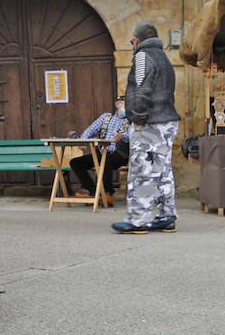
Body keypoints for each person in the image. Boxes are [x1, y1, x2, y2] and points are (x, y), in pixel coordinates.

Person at [113, 22, 180, 234]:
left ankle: (137, 220)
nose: (132, 45)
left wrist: (138, 117)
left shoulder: (142, 57)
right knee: (162, 170)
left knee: (143, 169)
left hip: (150, 122)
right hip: (167, 122)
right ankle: (166, 216)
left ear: (136, 40)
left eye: (131, 42)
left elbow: (139, 88)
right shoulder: (164, 58)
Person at [71, 99, 130, 204]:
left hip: (119, 155)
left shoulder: (132, 120)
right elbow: (91, 129)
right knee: (75, 162)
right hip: (102, 153)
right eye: (126, 103)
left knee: (105, 159)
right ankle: (93, 190)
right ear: (118, 104)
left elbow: (133, 136)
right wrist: (83, 141)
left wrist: (122, 135)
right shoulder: (106, 117)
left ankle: (108, 193)